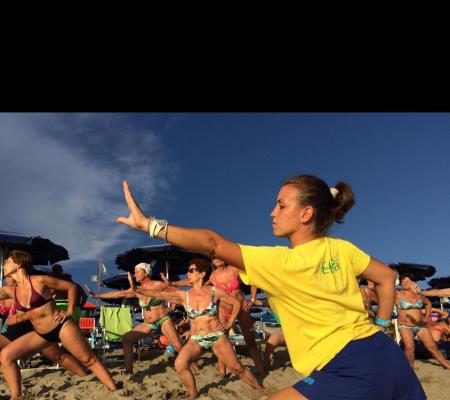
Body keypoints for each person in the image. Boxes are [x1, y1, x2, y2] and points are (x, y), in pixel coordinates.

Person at [116, 176, 428, 399]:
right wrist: (384, 325)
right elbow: (386, 277)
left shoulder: (278, 261)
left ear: (306, 213)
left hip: (347, 366)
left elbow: (213, 243)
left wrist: (150, 226)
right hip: (387, 356)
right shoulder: (342, 249)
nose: (272, 212)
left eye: (281, 205)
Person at [130, 257, 264, 399]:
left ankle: (261, 390)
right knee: (180, 365)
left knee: (237, 368)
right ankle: (193, 395)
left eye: (191, 271)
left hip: (216, 336)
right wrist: (137, 289)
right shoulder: (184, 295)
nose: (188, 274)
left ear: (202, 274)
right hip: (196, 339)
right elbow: (160, 294)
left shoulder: (214, 292)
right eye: (188, 271)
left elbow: (236, 304)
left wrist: (229, 324)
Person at [0, 250, 116, 399]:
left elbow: (71, 287)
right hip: (41, 335)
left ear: (19, 264)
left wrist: (69, 310)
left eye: (8, 262)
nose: (4, 265)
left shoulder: (39, 280)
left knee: (88, 359)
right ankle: (16, 397)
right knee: (6, 356)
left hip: (60, 327)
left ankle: (114, 390)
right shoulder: (12, 290)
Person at [85, 262, 198, 375]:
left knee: (177, 345)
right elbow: (118, 294)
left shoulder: (158, 285)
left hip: (163, 319)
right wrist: (97, 296)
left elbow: (177, 294)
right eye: (135, 272)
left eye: (137, 272)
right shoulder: (137, 289)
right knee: (127, 340)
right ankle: (129, 370)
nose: (135, 274)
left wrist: (172, 308)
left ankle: (195, 367)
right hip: (149, 323)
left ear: (146, 273)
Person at [164, 259, 266, 377]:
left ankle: (262, 371)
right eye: (214, 258)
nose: (217, 259)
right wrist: (172, 283)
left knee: (251, 341)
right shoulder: (212, 276)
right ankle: (222, 372)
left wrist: (252, 299)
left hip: (241, 309)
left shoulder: (234, 269)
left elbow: (253, 279)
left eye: (219, 256)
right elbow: (191, 282)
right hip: (223, 311)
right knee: (221, 340)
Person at [0, 276, 87, 376]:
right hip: (14, 329)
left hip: (34, 325)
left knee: (57, 356)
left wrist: (69, 310)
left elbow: (57, 290)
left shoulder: (30, 285)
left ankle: (83, 374)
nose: (6, 277)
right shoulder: (5, 290)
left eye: (9, 275)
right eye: (5, 276)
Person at [395, 273, 450, 369]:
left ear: (413, 283)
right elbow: (383, 289)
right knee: (409, 347)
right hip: (405, 326)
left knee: (432, 347)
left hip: (420, 325)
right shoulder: (397, 294)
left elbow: (428, 303)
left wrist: (426, 317)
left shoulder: (419, 295)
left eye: (408, 280)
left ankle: (446, 365)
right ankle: (410, 369)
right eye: (403, 281)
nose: (405, 282)